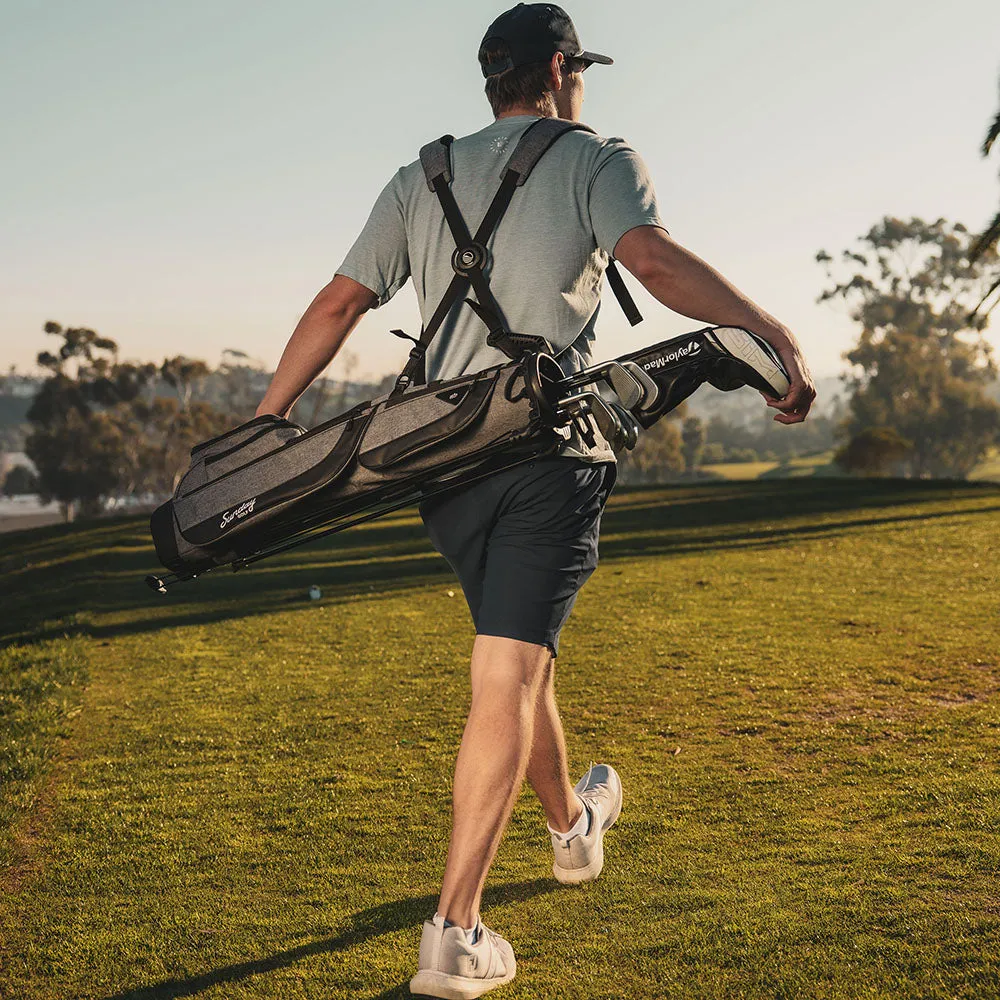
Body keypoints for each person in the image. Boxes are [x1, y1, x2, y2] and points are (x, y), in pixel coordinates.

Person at [255, 3, 816, 995]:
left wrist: (266, 422)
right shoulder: (597, 156)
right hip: (546, 456)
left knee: (522, 660)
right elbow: (651, 262)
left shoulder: (419, 174)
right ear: (560, 68)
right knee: (506, 678)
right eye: (580, 69)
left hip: (438, 467)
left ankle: (571, 829)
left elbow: (342, 303)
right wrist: (767, 327)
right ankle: (453, 935)